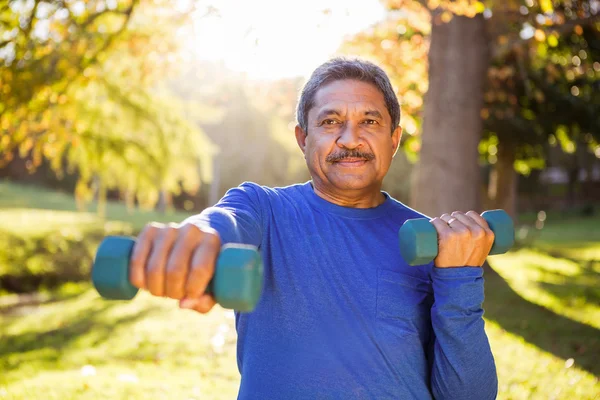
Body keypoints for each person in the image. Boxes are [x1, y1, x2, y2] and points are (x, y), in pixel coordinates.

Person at [129, 57, 498, 399]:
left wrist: (460, 278)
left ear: (394, 139)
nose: (350, 139)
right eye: (330, 121)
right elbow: (222, 222)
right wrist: (199, 237)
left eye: (370, 122)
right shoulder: (263, 209)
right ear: (303, 139)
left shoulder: (433, 244)